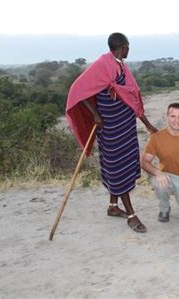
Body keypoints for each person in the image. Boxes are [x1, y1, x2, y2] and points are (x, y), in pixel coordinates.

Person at [66, 32, 158, 233]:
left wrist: (148, 125)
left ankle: (113, 206)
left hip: (125, 127)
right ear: (121, 46)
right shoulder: (102, 65)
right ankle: (131, 215)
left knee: (122, 164)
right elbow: (78, 91)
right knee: (118, 168)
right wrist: (95, 114)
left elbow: (132, 99)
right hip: (111, 129)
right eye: (128, 46)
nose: (129, 50)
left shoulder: (120, 66)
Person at [141, 102, 179, 223]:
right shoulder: (157, 137)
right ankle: (164, 209)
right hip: (165, 177)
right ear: (167, 116)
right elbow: (144, 162)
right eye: (173, 116)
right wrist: (157, 172)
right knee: (160, 183)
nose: (177, 120)